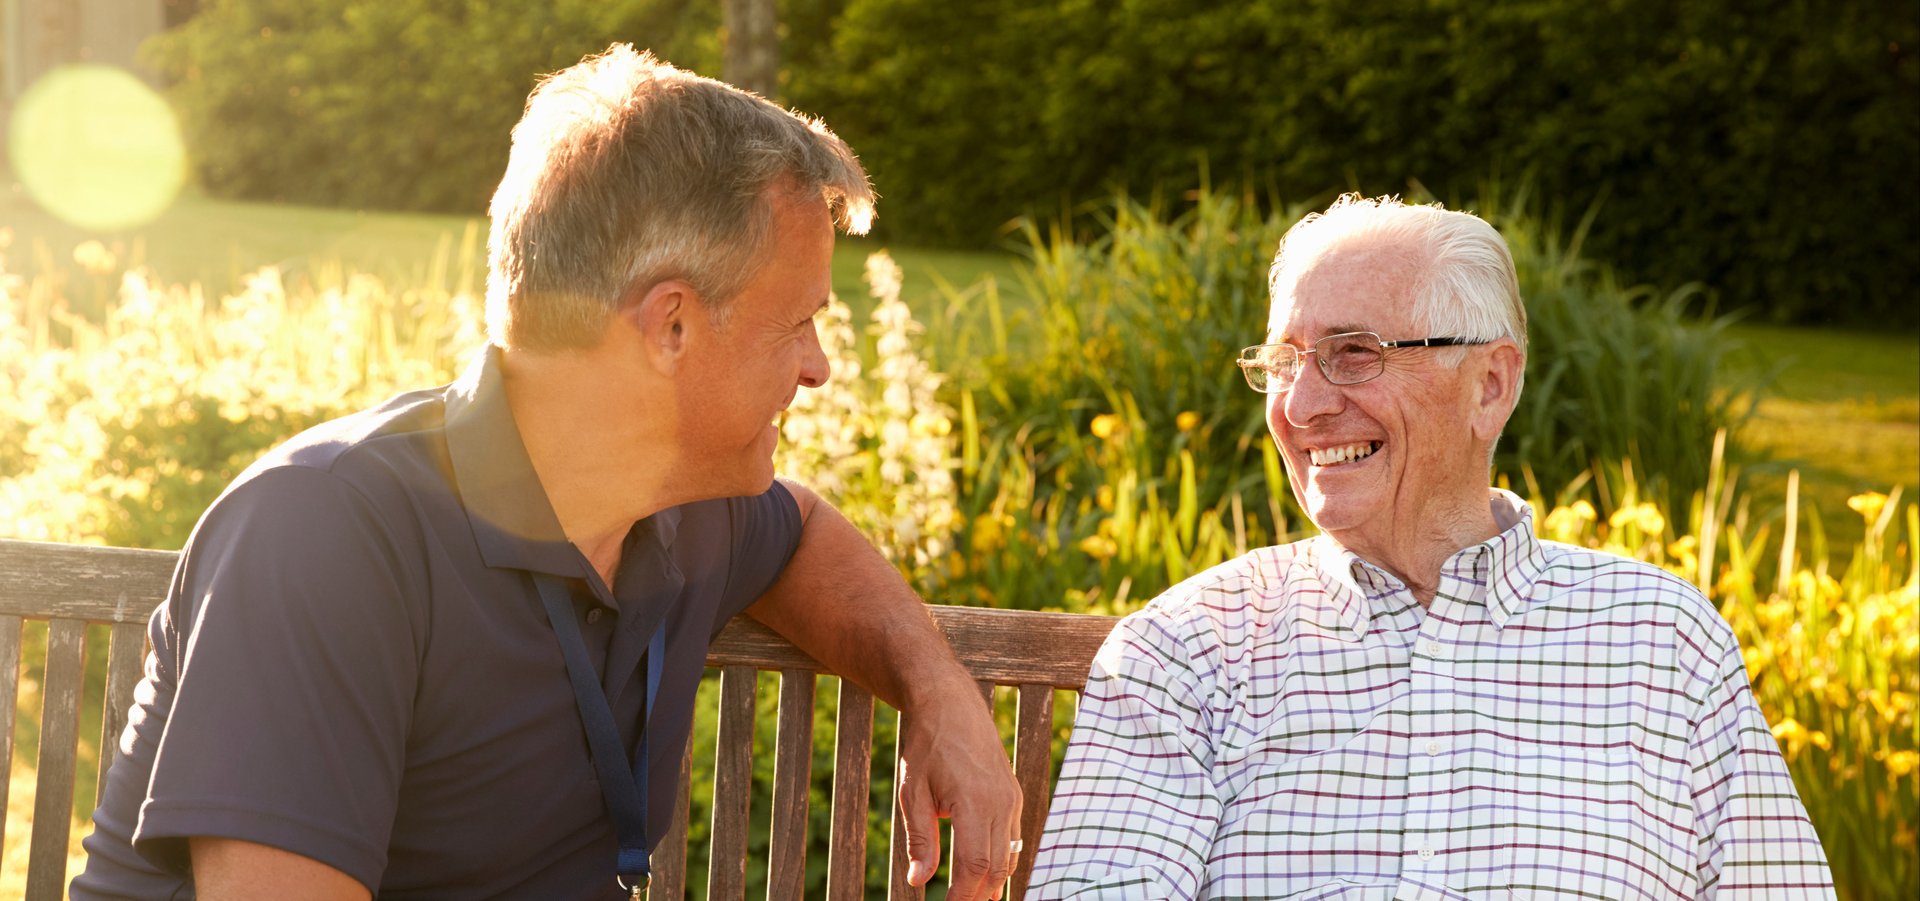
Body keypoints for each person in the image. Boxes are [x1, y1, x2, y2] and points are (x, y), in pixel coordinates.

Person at [72, 45, 1021, 901]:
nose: (818, 366)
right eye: (798, 322)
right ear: (672, 326)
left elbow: (803, 531)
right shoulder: (324, 533)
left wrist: (942, 695)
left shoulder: (678, 508)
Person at [1028, 195, 1833, 899]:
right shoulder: (1188, 648)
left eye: (1354, 353)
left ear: (1491, 384)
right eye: (1283, 361)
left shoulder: (1662, 638)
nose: (1302, 405)